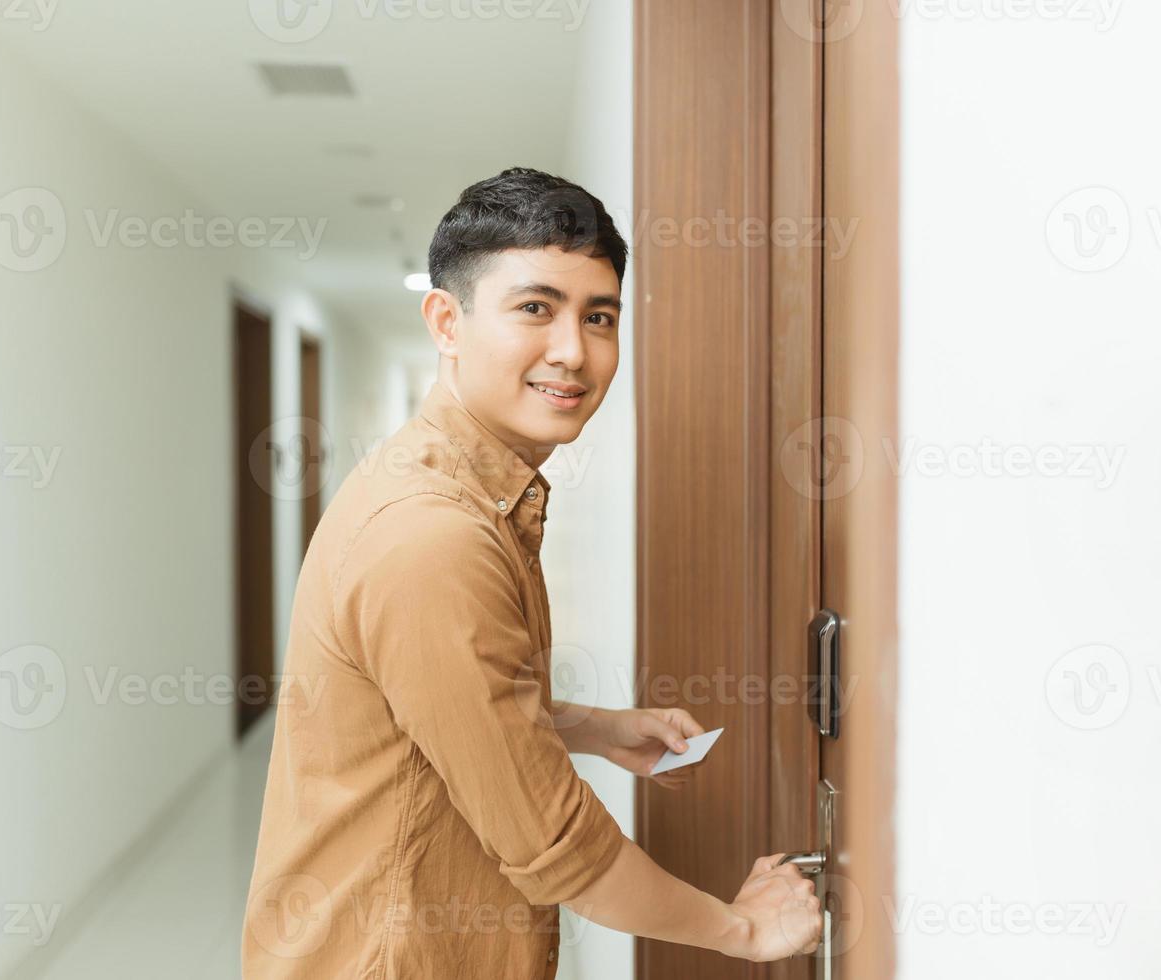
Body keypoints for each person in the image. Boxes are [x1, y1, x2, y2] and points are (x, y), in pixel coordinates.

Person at [242, 167, 822, 978]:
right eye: (534, 309)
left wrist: (591, 728)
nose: (572, 352)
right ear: (447, 320)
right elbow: (553, 845)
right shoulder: (431, 537)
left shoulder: (459, 486)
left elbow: (444, 712)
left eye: (599, 316)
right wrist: (744, 931)